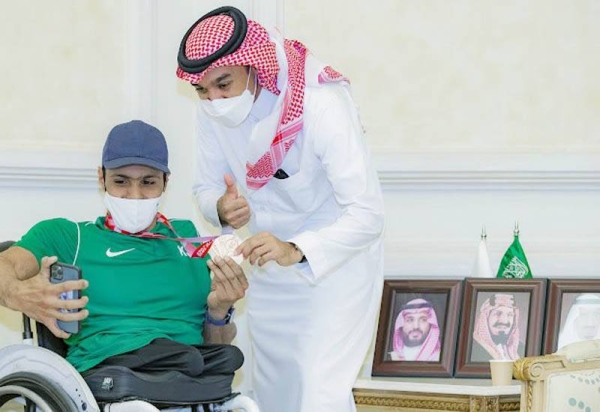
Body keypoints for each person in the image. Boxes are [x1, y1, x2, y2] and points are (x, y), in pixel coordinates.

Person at [175, 6, 384, 412]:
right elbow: (204, 187)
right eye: (202, 91)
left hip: (334, 266)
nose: (214, 100)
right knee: (274, 395)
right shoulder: (213, 112)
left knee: (318, 391)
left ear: (252, 65)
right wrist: (220, 207)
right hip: (267, 264)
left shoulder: (321, 103)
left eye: (222, 84)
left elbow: (368, 215)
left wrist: (295, 248)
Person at [0, 120, 247, 381]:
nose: (135, 195)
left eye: (148, 182)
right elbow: (6, 265)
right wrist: (16, 293)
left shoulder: (189, 241)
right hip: (108, 371)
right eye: (121, 181)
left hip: (189, 374)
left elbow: (215, 345)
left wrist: (219, 312)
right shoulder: (69, 237)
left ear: (166, 182)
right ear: (101, 178)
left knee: (222, 360)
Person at [471, 293, 525, 361]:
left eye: (510, 315)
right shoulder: (473, 348)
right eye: (497, 313)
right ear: (486, 318)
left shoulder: (521, 349)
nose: (504, 321)